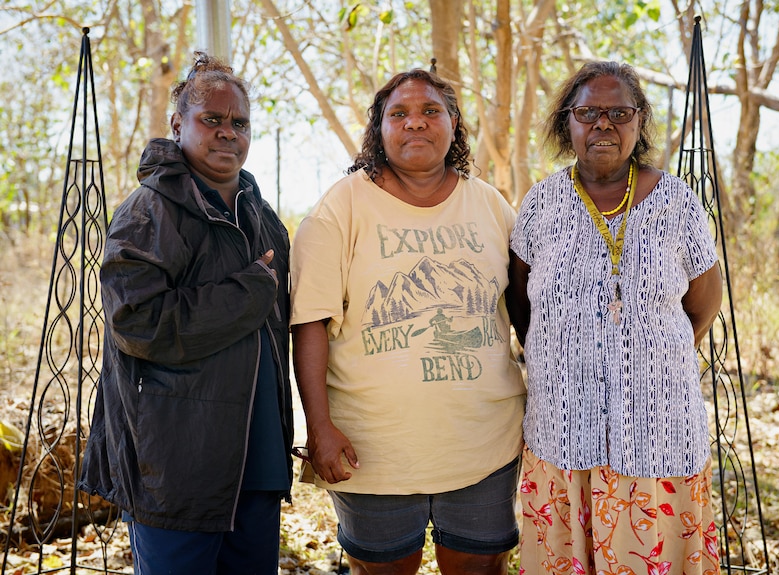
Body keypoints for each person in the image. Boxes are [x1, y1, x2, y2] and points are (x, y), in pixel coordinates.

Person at [290, 68, 526, 575]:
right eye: (398, 114)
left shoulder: (491, 206)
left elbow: (527, 316)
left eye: (430, 111)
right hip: (372, 448)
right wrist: (319, 427)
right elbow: (309, 322)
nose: (415, 123)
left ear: (453, 123)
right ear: (379, 129)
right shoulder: (341, 207)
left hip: (483, 441)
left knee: (481, 567)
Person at [79, 52, 293, 575]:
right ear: (178, 125)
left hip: (258, 459)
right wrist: (248, 291)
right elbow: (139, 323)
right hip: (176, 465)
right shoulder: (149, 210)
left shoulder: (263, 217)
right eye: (212, 120)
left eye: (238, 123)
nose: (227, 133)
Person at [507, 61, 723, 575]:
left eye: (619, 112)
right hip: (562, 428)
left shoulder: (678, 202)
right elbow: (521, 304)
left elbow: (703, 304)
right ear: (568, 123)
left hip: (658, 430)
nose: (603, 124)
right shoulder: (540, 204)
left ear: (640, 121)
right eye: (588, 112)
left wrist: (646, 358)